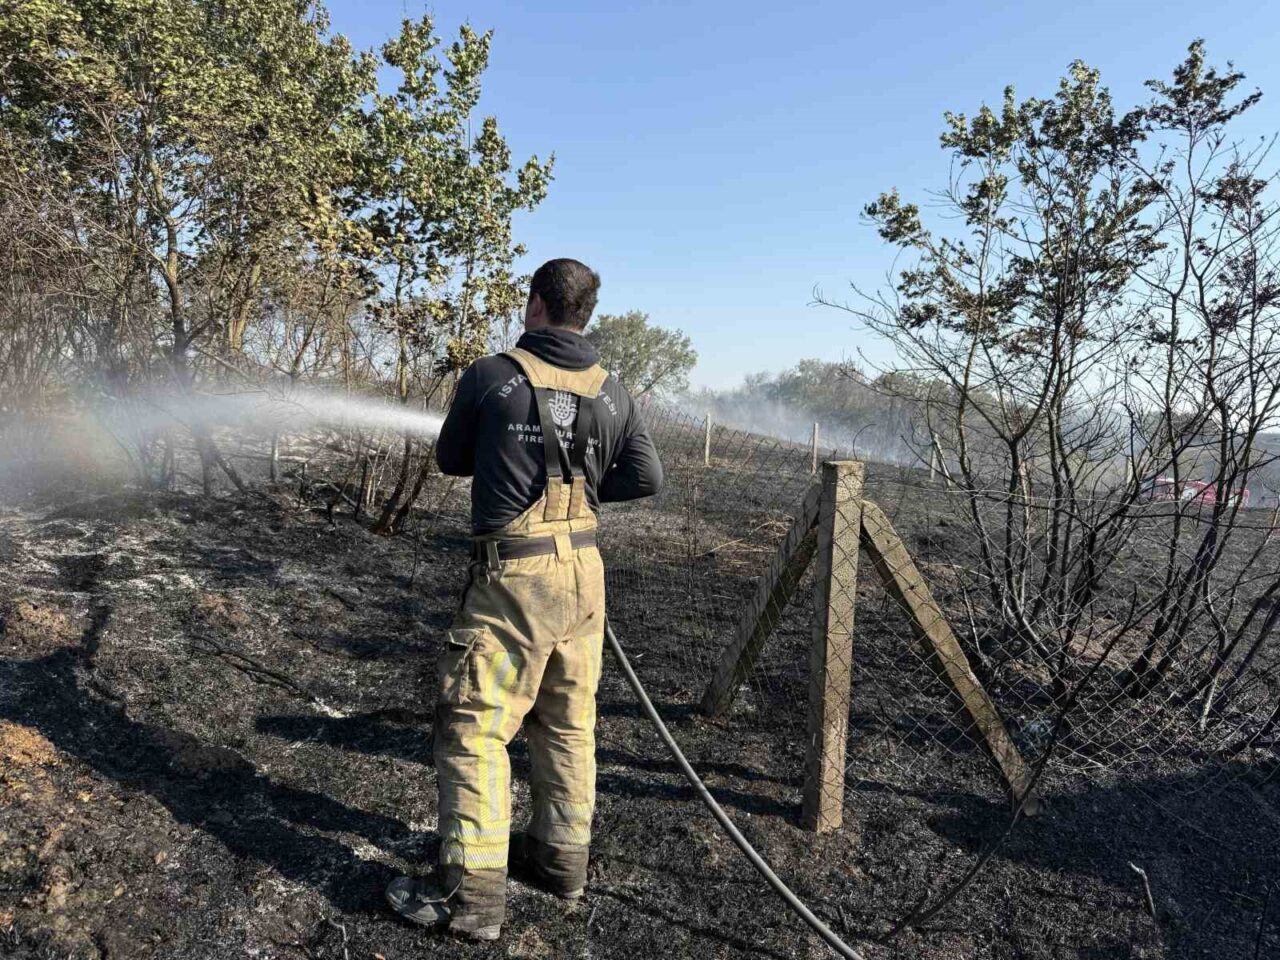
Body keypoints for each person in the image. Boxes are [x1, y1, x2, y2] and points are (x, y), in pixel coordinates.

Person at [385, 258, 664, 940]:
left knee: (477, 727)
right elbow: (648, 476)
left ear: (537, 303)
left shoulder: (490, 374)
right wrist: (584, 492)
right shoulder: (614, 390)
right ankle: (559, 864)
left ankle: (472, 903)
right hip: (585, 576)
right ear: (585, 314)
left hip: (515, 580)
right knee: (568, 722)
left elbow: (451, 459)